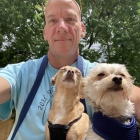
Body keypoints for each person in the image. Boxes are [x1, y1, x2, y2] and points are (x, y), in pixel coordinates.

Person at [0, 0, 140, 139]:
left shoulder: (98, 75)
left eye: (70, 19)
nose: (61, 27)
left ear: (83, 30)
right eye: (53, 20)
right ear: (45, 33)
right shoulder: (19, 73)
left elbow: (131, 96)